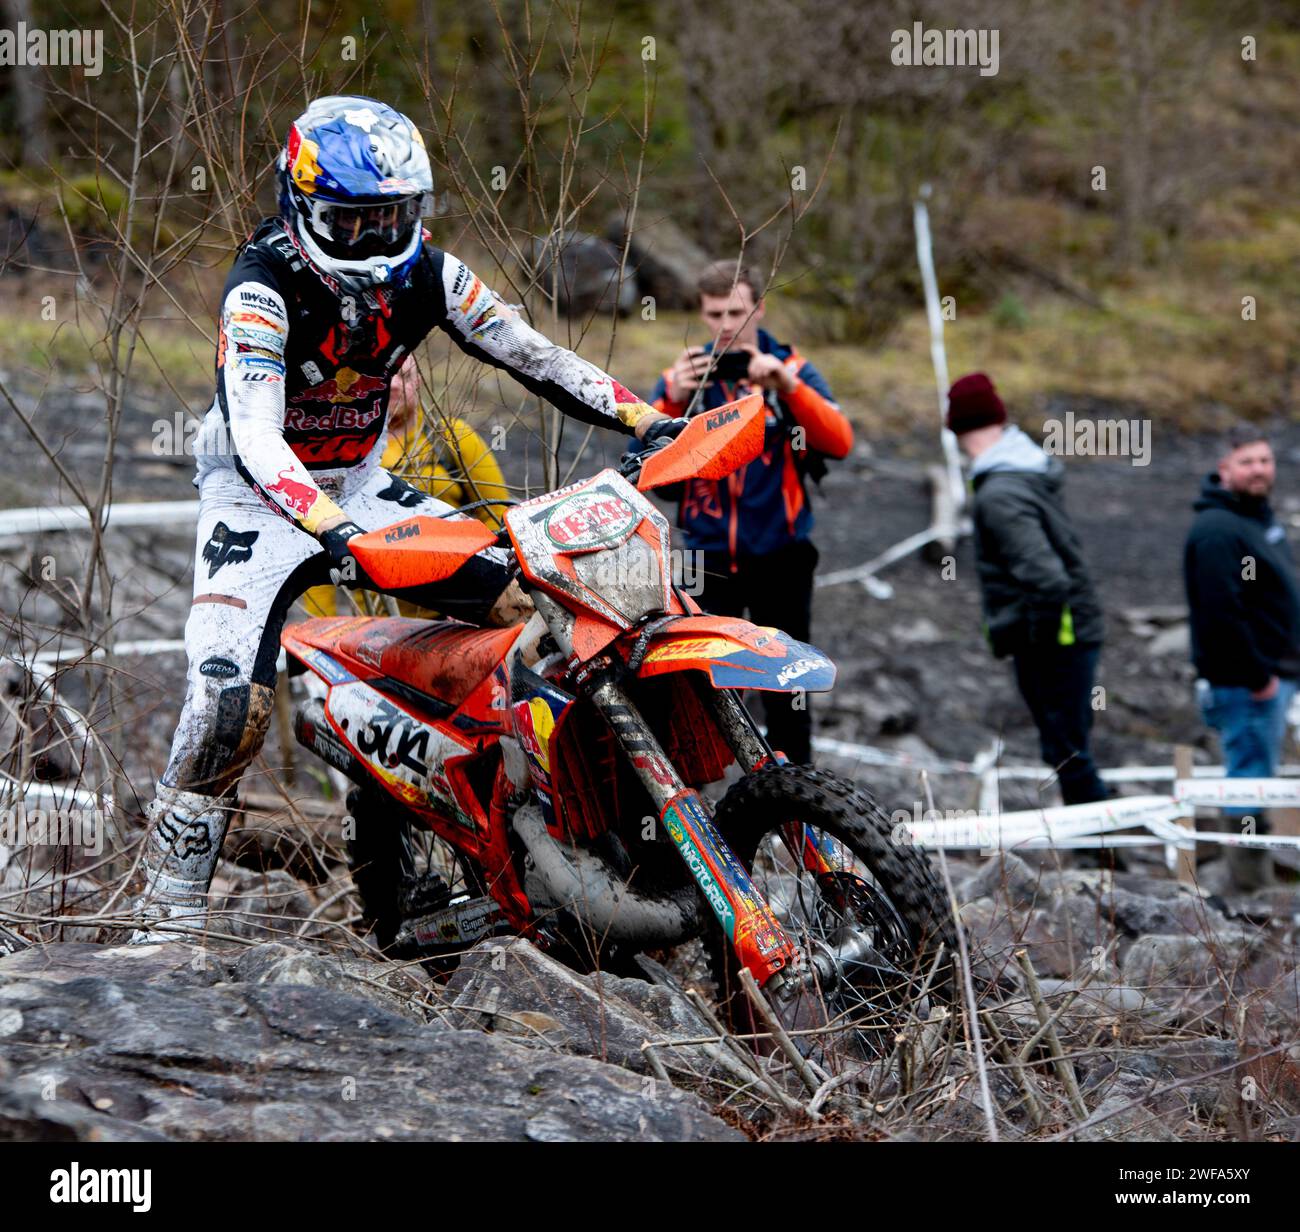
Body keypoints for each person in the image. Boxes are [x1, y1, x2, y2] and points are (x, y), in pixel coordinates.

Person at [132, 95, 680, 942]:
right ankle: (165, 920)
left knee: (538, 605)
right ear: (304, 206)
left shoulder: (428, 269)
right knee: (223, 705)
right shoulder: (262, 285)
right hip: (257, 498)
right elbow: (252, 432)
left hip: (358, 483)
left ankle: (541, 831)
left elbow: (528, 350)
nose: (379, 237)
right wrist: (329, 526)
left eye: (395, 216)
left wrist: (645, 419)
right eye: (356, 222)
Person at [646, 260, 853, 764]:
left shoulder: (794, 369)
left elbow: (841, 441)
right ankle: (713, 819)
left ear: (758, 307)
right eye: (715, 313)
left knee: (789, 691)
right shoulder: (687, 381)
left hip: (780, 559)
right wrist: (671, 401)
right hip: (706, 560)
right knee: (706, 693)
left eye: (736, 312)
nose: (725, 325)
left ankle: (798, 812)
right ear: (701, 312)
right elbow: (649, 468)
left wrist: (787, 387)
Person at [947, 373, 1107, 806]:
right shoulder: (1024, 470)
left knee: (1067, 753)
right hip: (1071, 632)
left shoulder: (999, 494)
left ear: (956, 428)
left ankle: (1103, 857)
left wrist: (1036, 642)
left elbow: (1047, 579)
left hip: (1056, 640)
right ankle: (1099, 849)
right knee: (1070, 749)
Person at [301, 354, 509, 617]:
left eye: (405, 376)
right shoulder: (344, 455)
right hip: (379, 628)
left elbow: (499, 518)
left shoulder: (454, 438)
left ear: (418, 382)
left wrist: (491, 589)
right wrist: (324, 627)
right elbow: (318, 551)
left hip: (464, 615)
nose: (396, 384)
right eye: (386, 376)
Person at [1184, 426, 1300, 889]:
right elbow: (1219, 613)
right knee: (1248, 779)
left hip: (1273, 674)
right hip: (1249, 682)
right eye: (1247, 462)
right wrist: (1257, 676)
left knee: (1259, 774)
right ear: (1223, 469)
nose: (1259, 470)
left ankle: (1257, 879)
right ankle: (1249, 890)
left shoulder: (1257, 519)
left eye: (1265, 460)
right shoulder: (1217, 530)